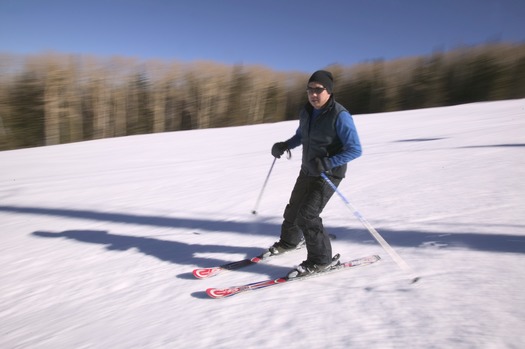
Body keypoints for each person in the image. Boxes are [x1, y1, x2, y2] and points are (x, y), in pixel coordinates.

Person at [269, 70, 362, 278]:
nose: (313, 94)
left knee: (307, 215)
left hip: (329, 174)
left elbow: (355, 149)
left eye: (318, 90)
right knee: (293, 209)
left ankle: (321, 260)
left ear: (328, 91)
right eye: (309, 89)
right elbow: (301, 135)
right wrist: (285, 145)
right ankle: (289, 242)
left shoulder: (340, 115)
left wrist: (328, 162)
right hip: (307, 170)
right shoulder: (307, 112)